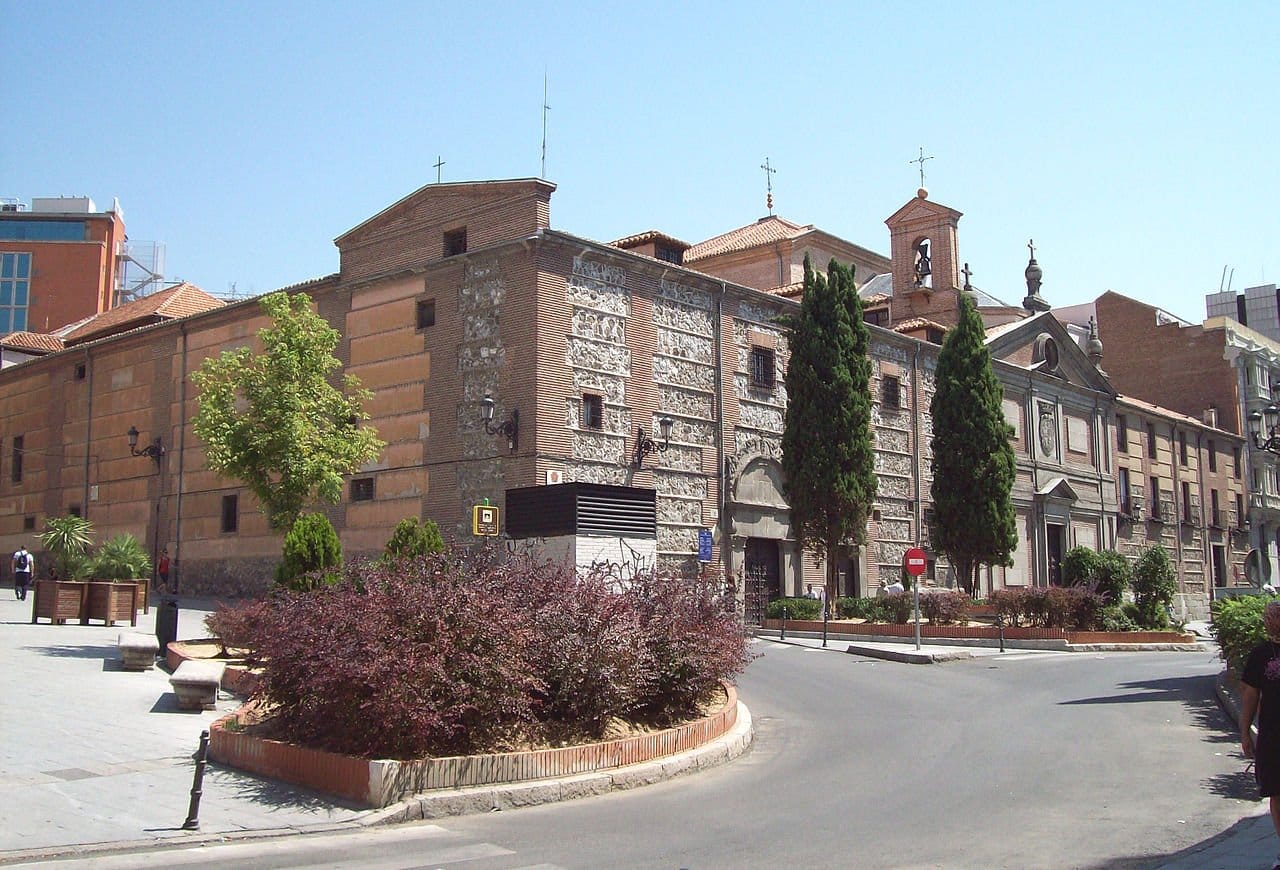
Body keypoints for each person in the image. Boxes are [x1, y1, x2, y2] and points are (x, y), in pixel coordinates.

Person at [1241, 600, 1280, 870]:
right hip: (1273, 735)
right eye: (1271, 617)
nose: (1272, 621)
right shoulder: (1261, 654)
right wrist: (1244, 732)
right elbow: (1251, 695)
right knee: (1276, 791)